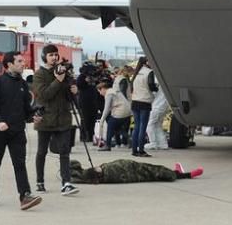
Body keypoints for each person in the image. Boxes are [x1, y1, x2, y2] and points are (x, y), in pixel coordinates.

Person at [0, 51, 43, 210]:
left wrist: (32, 117)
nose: (23, 64)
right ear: (9, 64)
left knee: (20, 164)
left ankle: (25, 196)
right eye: (19, 61)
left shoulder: (23, 84)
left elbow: (26, 110)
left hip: (17, 131)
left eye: (23, 61)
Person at [31, 44, 79, 196]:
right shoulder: (39, 74)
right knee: (42, 152)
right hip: (46, 119)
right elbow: (44, 95)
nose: (54, 57)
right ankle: (40, 181)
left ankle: (66, 183)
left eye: (55, 54)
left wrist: (74, 91)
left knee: (64, 151)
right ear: (45, 57)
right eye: (51, 55)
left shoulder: (64, 72)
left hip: (63, 118)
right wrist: (58, 80)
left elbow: (68, 97)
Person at [70, 158, 203, 184]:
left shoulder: (81, 177)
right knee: (152, 171)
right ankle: (182, 174)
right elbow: (74, 163)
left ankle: (178, 173)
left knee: (151, 171)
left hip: (122, 170)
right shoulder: (83, 175)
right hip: (125, 169)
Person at [130, 57, 155, 157]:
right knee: (142, 127)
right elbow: (151, 86)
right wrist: (156, 88)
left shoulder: (136, 73)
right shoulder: (149, 72)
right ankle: (141, 150)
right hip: (144, 102)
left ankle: (134, 150)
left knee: (136, 127)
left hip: (135, 101)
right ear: (146, 62)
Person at [98, 80, 132, 149]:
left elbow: (107, 108)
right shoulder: (114, 90)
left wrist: (102, 119)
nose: (100, 94)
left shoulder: (109, 93)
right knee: (117, 128)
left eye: (100, 91)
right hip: (127, 111)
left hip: (120, 111)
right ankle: (131, 140)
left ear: (103, 88)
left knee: (110, 126)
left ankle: (107, 145)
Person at [76, 62, 102, 146]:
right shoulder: (81, 77)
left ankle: (91, 135)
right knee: (85, 120)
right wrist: (86, 80)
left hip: (93, 102)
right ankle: (84, 136)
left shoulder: (94, 77)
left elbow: (97, 85)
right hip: (84, 102)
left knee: (92, 120)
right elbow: (79, 85)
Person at [145, 62, 170, 150]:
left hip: (156, 106)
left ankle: (153, 142)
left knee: (150, 124)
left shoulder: (156, 82)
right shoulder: (166, 82)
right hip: (164, 106)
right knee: (158, 125)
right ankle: (163, 143)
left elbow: (153, 91)